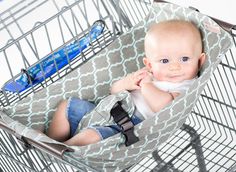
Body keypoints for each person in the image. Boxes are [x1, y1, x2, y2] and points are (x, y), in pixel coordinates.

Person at [47, 19, 206, 146]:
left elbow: (164, 106)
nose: (174, 67)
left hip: (127, 125)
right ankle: (50, 142)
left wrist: (146, 85)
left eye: (184, 59)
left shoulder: (187, 85)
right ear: (150, 64)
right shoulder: (147, 74)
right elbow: (113, 91)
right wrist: (128, 82)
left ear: (200, 61)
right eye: (164, 60)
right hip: (104, 109)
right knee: (67, 106)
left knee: (91, 136)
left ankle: (65, 149)